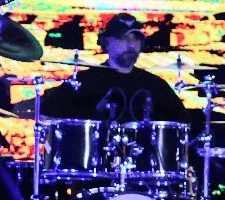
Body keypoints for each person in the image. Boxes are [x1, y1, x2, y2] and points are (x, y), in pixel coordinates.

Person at [41, 13, 188, 124]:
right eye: (123, 38)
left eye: (136, 38)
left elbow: (182, 121)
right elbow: (47, 112)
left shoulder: (155, 85)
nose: (131, 45)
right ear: (107, 42)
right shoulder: (85, 81)